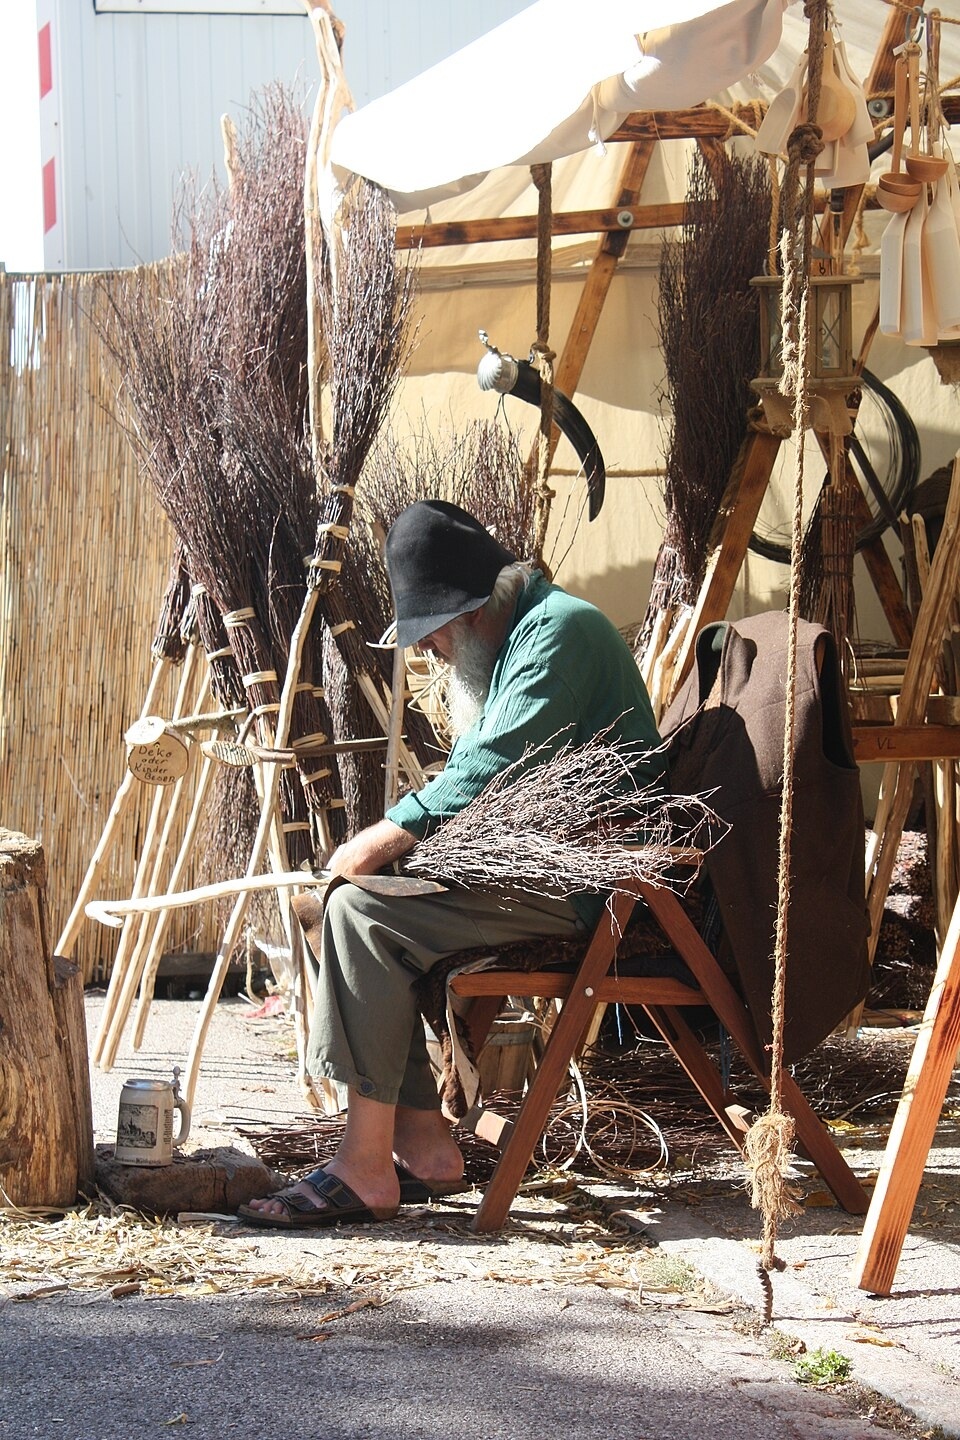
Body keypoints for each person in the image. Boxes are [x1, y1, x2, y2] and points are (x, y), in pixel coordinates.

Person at [241, 499, 664, 1228]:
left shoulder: (562, 630)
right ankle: (423, 1146)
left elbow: (488, 766)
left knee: (363, 908)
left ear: (471, 610)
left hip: (593, 889)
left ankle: (366, 1166)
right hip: (552, 875)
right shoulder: (526, 636)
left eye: (431, 632)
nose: (429, 651)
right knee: (365, 907)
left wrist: (379, 840)